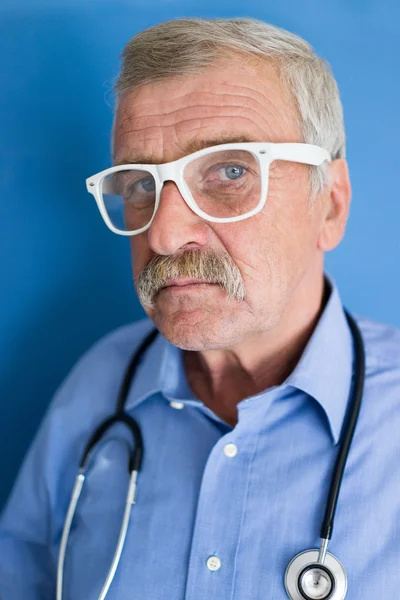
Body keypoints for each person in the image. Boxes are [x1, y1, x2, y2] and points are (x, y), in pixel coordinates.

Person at [1, 16, 399, 600]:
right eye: (140, 184)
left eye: (230, 171)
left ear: (331, 205)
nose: (162, 234)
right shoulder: (94, 390)